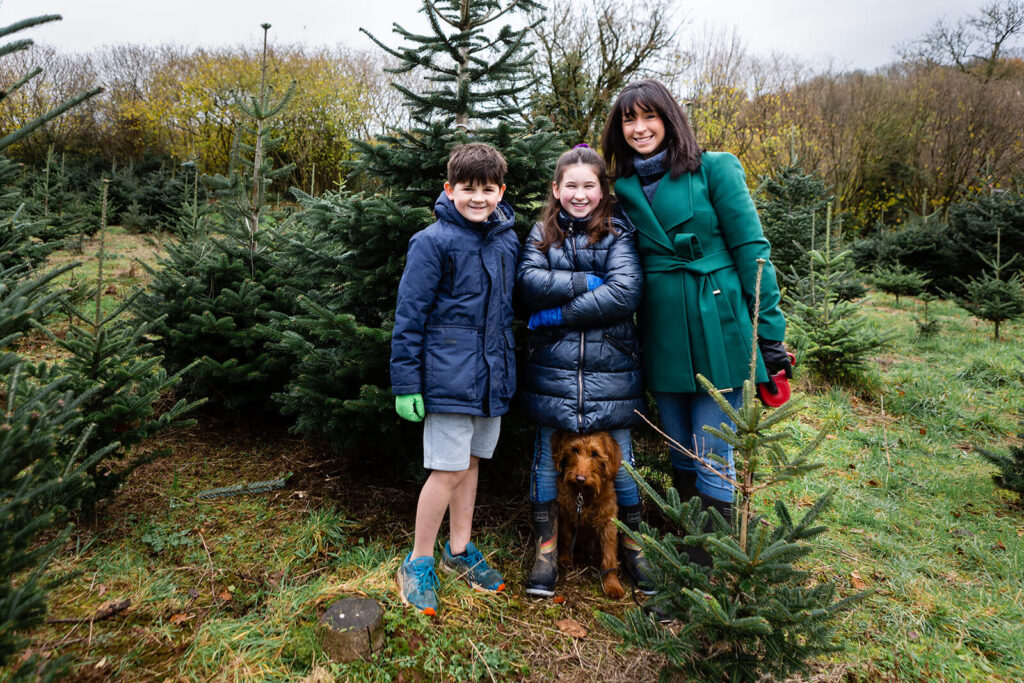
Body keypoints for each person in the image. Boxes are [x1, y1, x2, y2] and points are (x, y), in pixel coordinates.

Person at [601, 79, 792, 555]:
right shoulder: (623, 188)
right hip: (661, 326)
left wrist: (769, 335)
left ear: (669, 119)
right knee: (677, 444)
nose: (640, 128)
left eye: (650, 116)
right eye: (629, 119)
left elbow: (753, 251)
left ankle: (711, 558)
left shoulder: (715, 168)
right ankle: (687, 544)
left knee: (713, 445)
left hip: (718, 320)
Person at [516, 144, 653, 596]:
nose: (579, 194)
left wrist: (557, 313)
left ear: (602, 190)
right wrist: (585, 282)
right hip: (552, 368)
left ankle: (632, 547)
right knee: (545, 461)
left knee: (623, 464)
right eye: (570, 185)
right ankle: (547, 551)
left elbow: (625, 291)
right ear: (556, 189)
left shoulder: (618, 231)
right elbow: (528, 283)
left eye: (589, 186)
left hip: (610, 368)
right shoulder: (542, 232)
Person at [390, 142, 519, 616]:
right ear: (449, 189)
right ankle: (418, 561)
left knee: (471, 463)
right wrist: (406, 383)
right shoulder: (432, 242)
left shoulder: (507, 241)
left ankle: (459, 551)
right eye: (468, 189)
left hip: (491, 377)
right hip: (447, 379)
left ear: (501, 191)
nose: (478, 198)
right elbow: (410, 316)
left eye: (487, 189)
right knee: (446, 470)